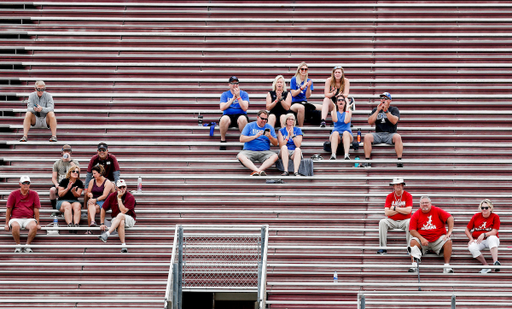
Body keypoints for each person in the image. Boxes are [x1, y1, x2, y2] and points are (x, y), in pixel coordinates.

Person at [408, 196, 454, 273]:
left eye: (426, 203)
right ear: (420, 204)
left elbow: (450, 218)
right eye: (422, 203)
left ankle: (447, 266)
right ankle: (414, 265)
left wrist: (449, 232)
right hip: (423, 239)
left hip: (438, 238)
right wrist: (421, 238)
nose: (424, 204)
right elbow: (412, 230)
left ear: (430, 204)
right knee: (413, 241)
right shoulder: (416, 214)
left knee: (448, 241)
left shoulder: (437, 210)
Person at [361, 92, 403, 168]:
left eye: (386, 98)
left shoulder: (394, 109)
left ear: (390, 100)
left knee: (398, 137)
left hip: (390, 134)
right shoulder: (376, 109)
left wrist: (386, 111)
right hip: (378, 134)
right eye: (382, 98)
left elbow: (394, 121)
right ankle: (367, 161)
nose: (383, 99)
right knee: (367, 136)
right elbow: (370, 122)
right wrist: (377, 111)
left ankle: (399, 160)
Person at [4, 176, 41, 253]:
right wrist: (6, 224)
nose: (26, 185)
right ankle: (18, 245)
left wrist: (38, 223)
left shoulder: (34, 194)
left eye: (28, 183)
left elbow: (36, 209)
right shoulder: (13, 194)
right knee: (15, 226)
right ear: (20, 184)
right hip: (15, 218)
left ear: (30, 184)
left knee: (34, 226)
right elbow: (9, 209)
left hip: (29, 218)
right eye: (24, 183)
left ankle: (28, 245)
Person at [377, 177, 413, 255]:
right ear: (393, 186)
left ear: (402, 185)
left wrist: (394, 208)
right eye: (396, 185)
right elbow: (387, 212)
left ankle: (409, 248)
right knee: (382, 222)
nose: (398, 186)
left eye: (399, 184)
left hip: (405, 220)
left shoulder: (408, 195)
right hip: (392, 221)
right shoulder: (389, 196)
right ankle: (383, 248)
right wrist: (401, 210)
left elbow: (408, 211)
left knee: (410, 222)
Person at [99, 179, 137, 253]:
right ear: (116, 187)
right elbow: (103, 208)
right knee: (121, 222)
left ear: (126, 187)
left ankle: (107, 233)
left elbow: (123, 211)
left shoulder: (130, 197)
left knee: (120, 215)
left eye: (123, 187)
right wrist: (102, 223)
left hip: (129, 219)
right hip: (116, 220)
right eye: (120, 187)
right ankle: (123, 245)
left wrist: (119, 198)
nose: (122, 189)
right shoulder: (112, 195)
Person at [237, 110, 278, 176]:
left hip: (264, 152)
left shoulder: (269, 127)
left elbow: (275, 143)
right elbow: (241, 139)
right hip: (249, 151)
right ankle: (259, 171)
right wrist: (255, 136)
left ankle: (257, 171)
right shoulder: (249, 125)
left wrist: (270, 137)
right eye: (262, 118)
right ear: (257, 117)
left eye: (266, 119)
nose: (264, 120)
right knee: (240, 155)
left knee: (275, 156)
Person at [465, 199, 501, 273]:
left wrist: (484, 234)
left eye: (486, 208)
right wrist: (471, 239)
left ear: (490, 208)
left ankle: (495, 262)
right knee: (471, 246)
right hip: (479, 240)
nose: (484, 209)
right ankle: (485, 266)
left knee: (492, 238)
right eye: (482, 208)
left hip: (489, 239)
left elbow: (495, 231)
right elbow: (467, 230)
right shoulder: (476, 216)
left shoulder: (495, 216)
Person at [219, 76, 249, 150]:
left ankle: (243, 141)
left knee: (243, 119)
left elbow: (245, 107)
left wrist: (238, 97)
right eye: (233, 83)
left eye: (236, 83)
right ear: (229, 84)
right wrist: (232, 99)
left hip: (241, 115)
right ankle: (223, 140)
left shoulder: (244, 94)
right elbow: (222, 108)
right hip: (228, 115)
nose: (235, 85)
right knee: (224, 119)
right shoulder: (225, 94)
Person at [50, 144, 79, 215]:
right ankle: (54, 209)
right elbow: (54, 178)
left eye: (68, 151)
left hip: (71, 183)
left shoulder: (74, 162)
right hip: (60, 183)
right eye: (65, 151)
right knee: (52, 190)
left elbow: (78, 170)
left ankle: (66, 208)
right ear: (62, 152)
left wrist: (69, 160)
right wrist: (56, 184)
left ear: (70, 152)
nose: (66, 152)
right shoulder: (57, 163)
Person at [290, 62, 321, 126]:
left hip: (304, 102)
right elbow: (293, 94)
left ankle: (323, 123)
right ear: (299, 70)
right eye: (302, 69)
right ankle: (301, 128)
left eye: (305, 69)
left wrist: (308, 87)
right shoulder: (294, 79)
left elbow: (307, 96)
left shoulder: (309, 80)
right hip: (295, 102)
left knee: (324, 107)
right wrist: (302, 88)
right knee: (301, 107)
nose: (304, 71)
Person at [85, 164, 114, 232]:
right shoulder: (92, 181)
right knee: (90, 204)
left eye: (95, 173)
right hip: (94, 201)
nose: (93, 175)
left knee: (90, 209)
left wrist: (96, 200)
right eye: (93, 173)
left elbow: (105, 195)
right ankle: (92, 221)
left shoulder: (107, 182)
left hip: (104, 201)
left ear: (100, 173)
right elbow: (88, 191)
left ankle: (89, 229)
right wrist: (90, 194)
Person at [57, 166, 84, 234]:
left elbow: (78, 195)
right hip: (62, 201)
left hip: (74, 201)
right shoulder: (64, 181)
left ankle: (76, 225)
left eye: (77, 172)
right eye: (73, 171)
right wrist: (67, 189)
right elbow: (60, 194)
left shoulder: (79, 183)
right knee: (67, 205)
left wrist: (74, 191)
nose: (75, 173)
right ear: (70, 173)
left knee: (78, 205)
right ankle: (69, 224)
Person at [329, 94, 354, 160]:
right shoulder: (333, 112)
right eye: (339, 100)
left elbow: (346, 121)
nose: (341, 101)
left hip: (347, 134)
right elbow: (335, 120)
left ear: (345, 102)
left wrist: (347, 108)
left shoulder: (349, 111)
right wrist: (334, 107)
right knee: (335, 133)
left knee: (345, 133)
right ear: (336, 103)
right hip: (336, 134)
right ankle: (333, 154)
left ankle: (346, 155)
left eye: (342, 100)